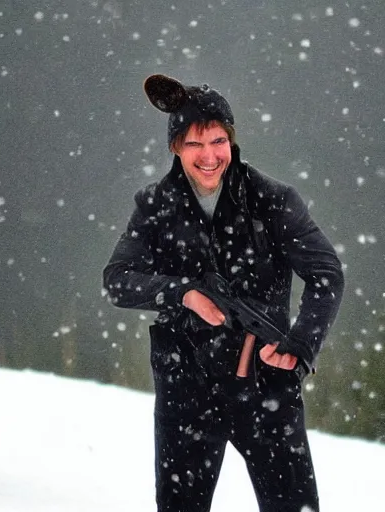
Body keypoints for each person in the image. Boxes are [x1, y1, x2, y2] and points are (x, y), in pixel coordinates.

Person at [103, 73, 344, 512]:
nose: (209, 156)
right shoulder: (155, 204)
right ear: (176, 147)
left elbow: (327, 273)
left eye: (218, 141)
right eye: (194, 144)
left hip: (265, 383)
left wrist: (300, 344)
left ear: (231, 141)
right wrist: (183, 294)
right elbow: (118, 279)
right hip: (185, 386)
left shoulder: (271, 199)